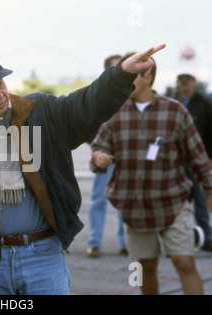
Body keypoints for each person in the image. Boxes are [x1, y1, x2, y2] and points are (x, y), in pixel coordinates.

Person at [0, 44, 165, 295]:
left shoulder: (38, 111)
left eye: (0, 84)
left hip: (42, 255)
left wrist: (120, 73)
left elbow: (86, 103)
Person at [90, 55, 212, 295]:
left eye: (129, 76)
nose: (122, 82)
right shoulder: (115, 113)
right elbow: (98, 148)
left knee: (185, 263)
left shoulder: (175, 111)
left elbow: (199, 159)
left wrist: (209, 195)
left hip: (173, 203)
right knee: (145, 267)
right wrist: (99, 157)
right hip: (134, 207)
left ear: (148, 76)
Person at [86, 54, 127, 258]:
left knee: (125, 200)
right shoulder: (99, 96)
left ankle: (125, 242)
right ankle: (94, 243)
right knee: (98, 200)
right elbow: (86, 121)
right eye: (116, 68)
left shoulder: (129, 93)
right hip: (105, 156)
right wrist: (97, 149)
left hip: (126, 158)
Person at [175, 71, 212, 251]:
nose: (183, 85)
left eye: (187, 81)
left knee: (200, 198)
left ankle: (206, 234)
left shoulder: (205, 103)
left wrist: (210, 158)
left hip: (197, 160)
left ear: (194, 83)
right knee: (174, 199)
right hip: (174, 162)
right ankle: (174, 237)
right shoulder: (172, 102)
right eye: (180, 81)